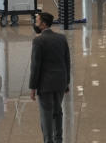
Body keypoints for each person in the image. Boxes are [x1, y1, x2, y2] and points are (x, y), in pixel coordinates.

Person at [29, 12, 71, 143]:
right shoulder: (61, 38)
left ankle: (48, 140)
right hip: (60, 82)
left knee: (46, 114)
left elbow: (35, 66)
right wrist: (67, 83)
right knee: (57, 111)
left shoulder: (38, 40)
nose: (35, 23)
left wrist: (33, 87)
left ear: (43, 24)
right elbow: (67, 62)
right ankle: (59, 139)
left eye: (37, 21)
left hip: (45, 84)